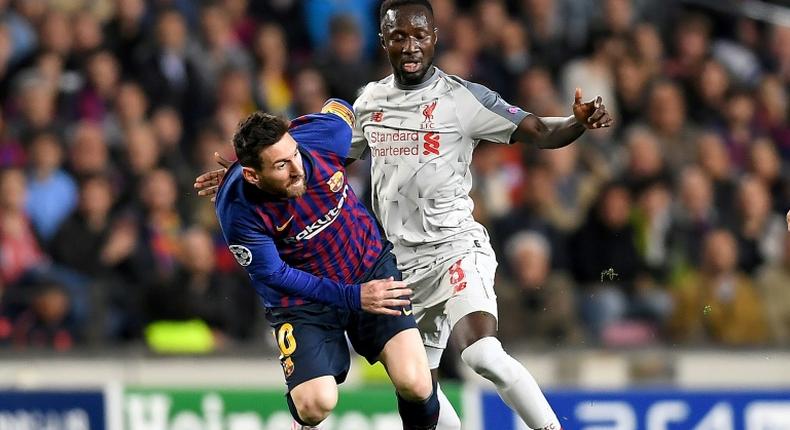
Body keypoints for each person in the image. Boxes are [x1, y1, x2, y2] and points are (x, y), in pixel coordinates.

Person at [197, 1, 612, 428]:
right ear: (384, 42)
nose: (410, 46)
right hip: (398, 262)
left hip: (453, 247)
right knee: (418, 387)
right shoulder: (370, 102)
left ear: (435, 38)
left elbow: (540, 131)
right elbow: (310, 155)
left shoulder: (463, 99)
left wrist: (575, 123)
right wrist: (239, 176)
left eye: (419, 35)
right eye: (399, 36)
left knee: (482, 353)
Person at [204, 99, 439, 430]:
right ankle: (300, 418)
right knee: (317, 403)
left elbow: (340, 107)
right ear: (253, 176)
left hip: (366, 267)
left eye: (295, 153)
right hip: (303, 302)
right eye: (281, 165)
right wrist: (353, 298)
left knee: (415, 382)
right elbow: (275, 274)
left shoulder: (326, 136)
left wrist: (311, 136)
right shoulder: (237, 209)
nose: (298, 168)